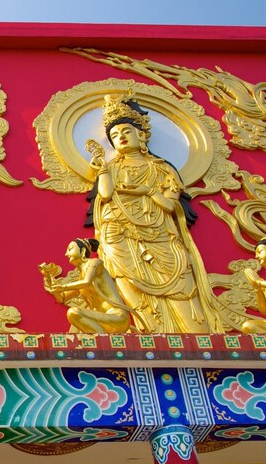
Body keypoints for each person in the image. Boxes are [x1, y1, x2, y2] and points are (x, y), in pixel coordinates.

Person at [86, 92, 221, 333]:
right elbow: (105, 196)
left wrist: (148, 191)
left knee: (179, 282)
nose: (121, 138)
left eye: (126, 132)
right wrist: (102, 169)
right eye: (115, 136)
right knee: (127, 280)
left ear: (141, 134)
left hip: (160, 233)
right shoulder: (113, 167)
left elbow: (170, 206)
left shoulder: (160, 168)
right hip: (119, 233)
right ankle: (148, 329)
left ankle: (192, 333)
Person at [43, 238, 131, 333]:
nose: (66, 254)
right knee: (72, 314)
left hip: (118, 317)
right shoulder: (80, 280)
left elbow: (87, 281)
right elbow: (62, 299)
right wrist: (49, 279)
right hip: (102, 321)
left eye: (70, 249)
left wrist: (63, 287)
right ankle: (101, 338)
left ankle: (101, 338)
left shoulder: (95, 263)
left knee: (74, 312)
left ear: (83, 251)